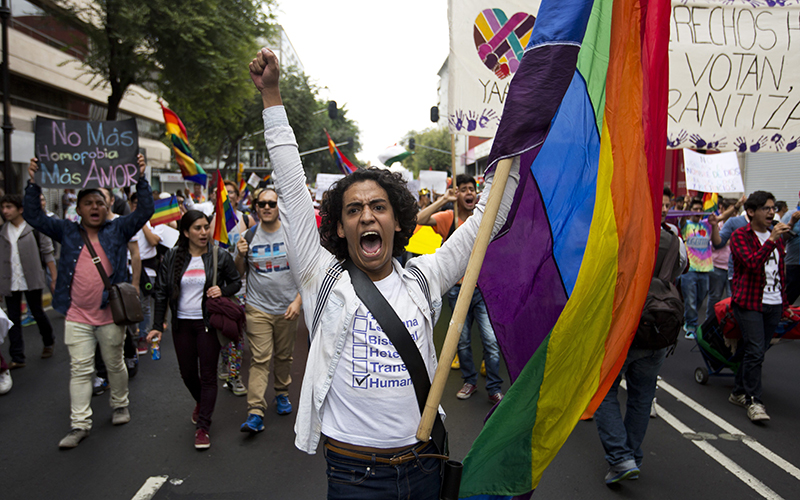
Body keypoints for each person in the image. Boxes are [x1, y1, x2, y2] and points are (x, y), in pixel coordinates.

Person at [250, 47, 519, 498]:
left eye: (379, 207)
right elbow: (292, 187)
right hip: (354, 477)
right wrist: (272, 97)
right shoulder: (321, 279)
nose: (367, 217)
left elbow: (486, 219)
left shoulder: (425, 278)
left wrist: (517, 126)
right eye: (353, 210)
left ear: (398, 221)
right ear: (338, 225)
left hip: (424, 467)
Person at [24, 155, 153, 449]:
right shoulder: (66, 230)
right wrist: (33, 182)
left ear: (107, 207)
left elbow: (145, 210)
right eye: (88, 203)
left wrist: (141, 177)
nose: (94, 207)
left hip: (110, 315)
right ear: (79, 209)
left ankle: (120, 404)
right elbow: (33, 216)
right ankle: (79, 424)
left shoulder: (118, 229)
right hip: (76, 315)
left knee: (114, 364)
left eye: (99, 203)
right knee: (80, 370)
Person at [594, 189, 687, 484]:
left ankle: (621, 457)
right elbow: (680, 271)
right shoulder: (675, 240)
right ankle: (630, 455)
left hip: (625, 328)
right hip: (660, 331)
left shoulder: (623, 235)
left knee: (603, 390)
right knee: (642, 396)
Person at [147, 210, 241, 450]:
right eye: (197, 228)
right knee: (188, 374)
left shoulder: (219, 255)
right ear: (186, 232)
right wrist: (158, 325)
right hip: (181, 325)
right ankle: (201, 402)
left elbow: (236, 282)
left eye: (205, 227)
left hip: (207, 324)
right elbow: (160, 292)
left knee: (208, 376)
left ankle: (203, 426)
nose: (203, 232)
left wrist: (223, 290)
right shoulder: (171, 257)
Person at [417, 175, 504, 404]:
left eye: (472, 189)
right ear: (458, 194)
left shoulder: (482, 219)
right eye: (463, 189)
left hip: (482, 290)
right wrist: (443, 200)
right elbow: (420, 218)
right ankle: (470, 382)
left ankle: (494, 387)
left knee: (491, 342)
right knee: (463, 342)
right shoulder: (449, 217)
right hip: (458, 291)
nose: (468, 193)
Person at [728, 191, 800, 422]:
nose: (772, 212)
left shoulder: (775, 235)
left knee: (755, 350)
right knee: (756, 350)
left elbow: (780, 272)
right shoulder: (741, 236)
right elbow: (751, 264)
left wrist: (786, 305)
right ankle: (754, 401)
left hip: (774, 303)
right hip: (749, 302)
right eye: (766, 208)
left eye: (773, 208)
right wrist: (770, 241)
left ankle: (738, 391)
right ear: (751, 212)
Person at [235, 187, 302, 433]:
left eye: (271, 203)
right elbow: (239, 273)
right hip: (257, 308)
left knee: (284, 357)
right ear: (255, 207)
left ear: (278, 207)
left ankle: (282, 393)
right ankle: (255, 411)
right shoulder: (248, 236)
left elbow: (305, 275)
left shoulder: (292, 236)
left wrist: (298, 302)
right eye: (261, 203)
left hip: (287, 309)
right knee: (260, 359)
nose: (266, 207)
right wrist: (240, 256)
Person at [1, 194, 57, 368]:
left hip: (31, 278)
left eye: (9, 207)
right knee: (13, 318)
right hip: (10, 280)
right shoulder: (2, 231)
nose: (5, 211)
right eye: (3, 208)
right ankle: (17, 356)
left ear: (20, 209)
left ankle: (48, 341)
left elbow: (48, 252)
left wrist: (54, 278)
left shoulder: (34, 228)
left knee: (37, 311)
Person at [213, 180, 255, 396]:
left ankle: (234, 376)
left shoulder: (246, 221)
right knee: (222, 331)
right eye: (222, 193)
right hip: (217, 290)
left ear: (238, 198)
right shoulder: (208, 223)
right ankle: (225, 362)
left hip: (240, 287)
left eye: (231, 193)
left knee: (237, 333)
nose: (227, 196)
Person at [680, 198, 720, 338]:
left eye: (699, 210)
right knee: (690, 300)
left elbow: (721, 218)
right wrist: (686, 205)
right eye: (695, 209)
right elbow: (683, 217)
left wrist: (737, 207)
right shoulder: (686, 225)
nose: (697, 212)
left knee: (700, 298)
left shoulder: (706, 225)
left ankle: (688, 317)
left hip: (705, 269)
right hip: (690, 269)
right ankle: (691, 326)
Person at [779, 193, 800, 304]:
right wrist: (792, 223)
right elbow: (781, 238)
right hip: (794, 264)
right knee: (788, 296)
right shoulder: (790, 215)